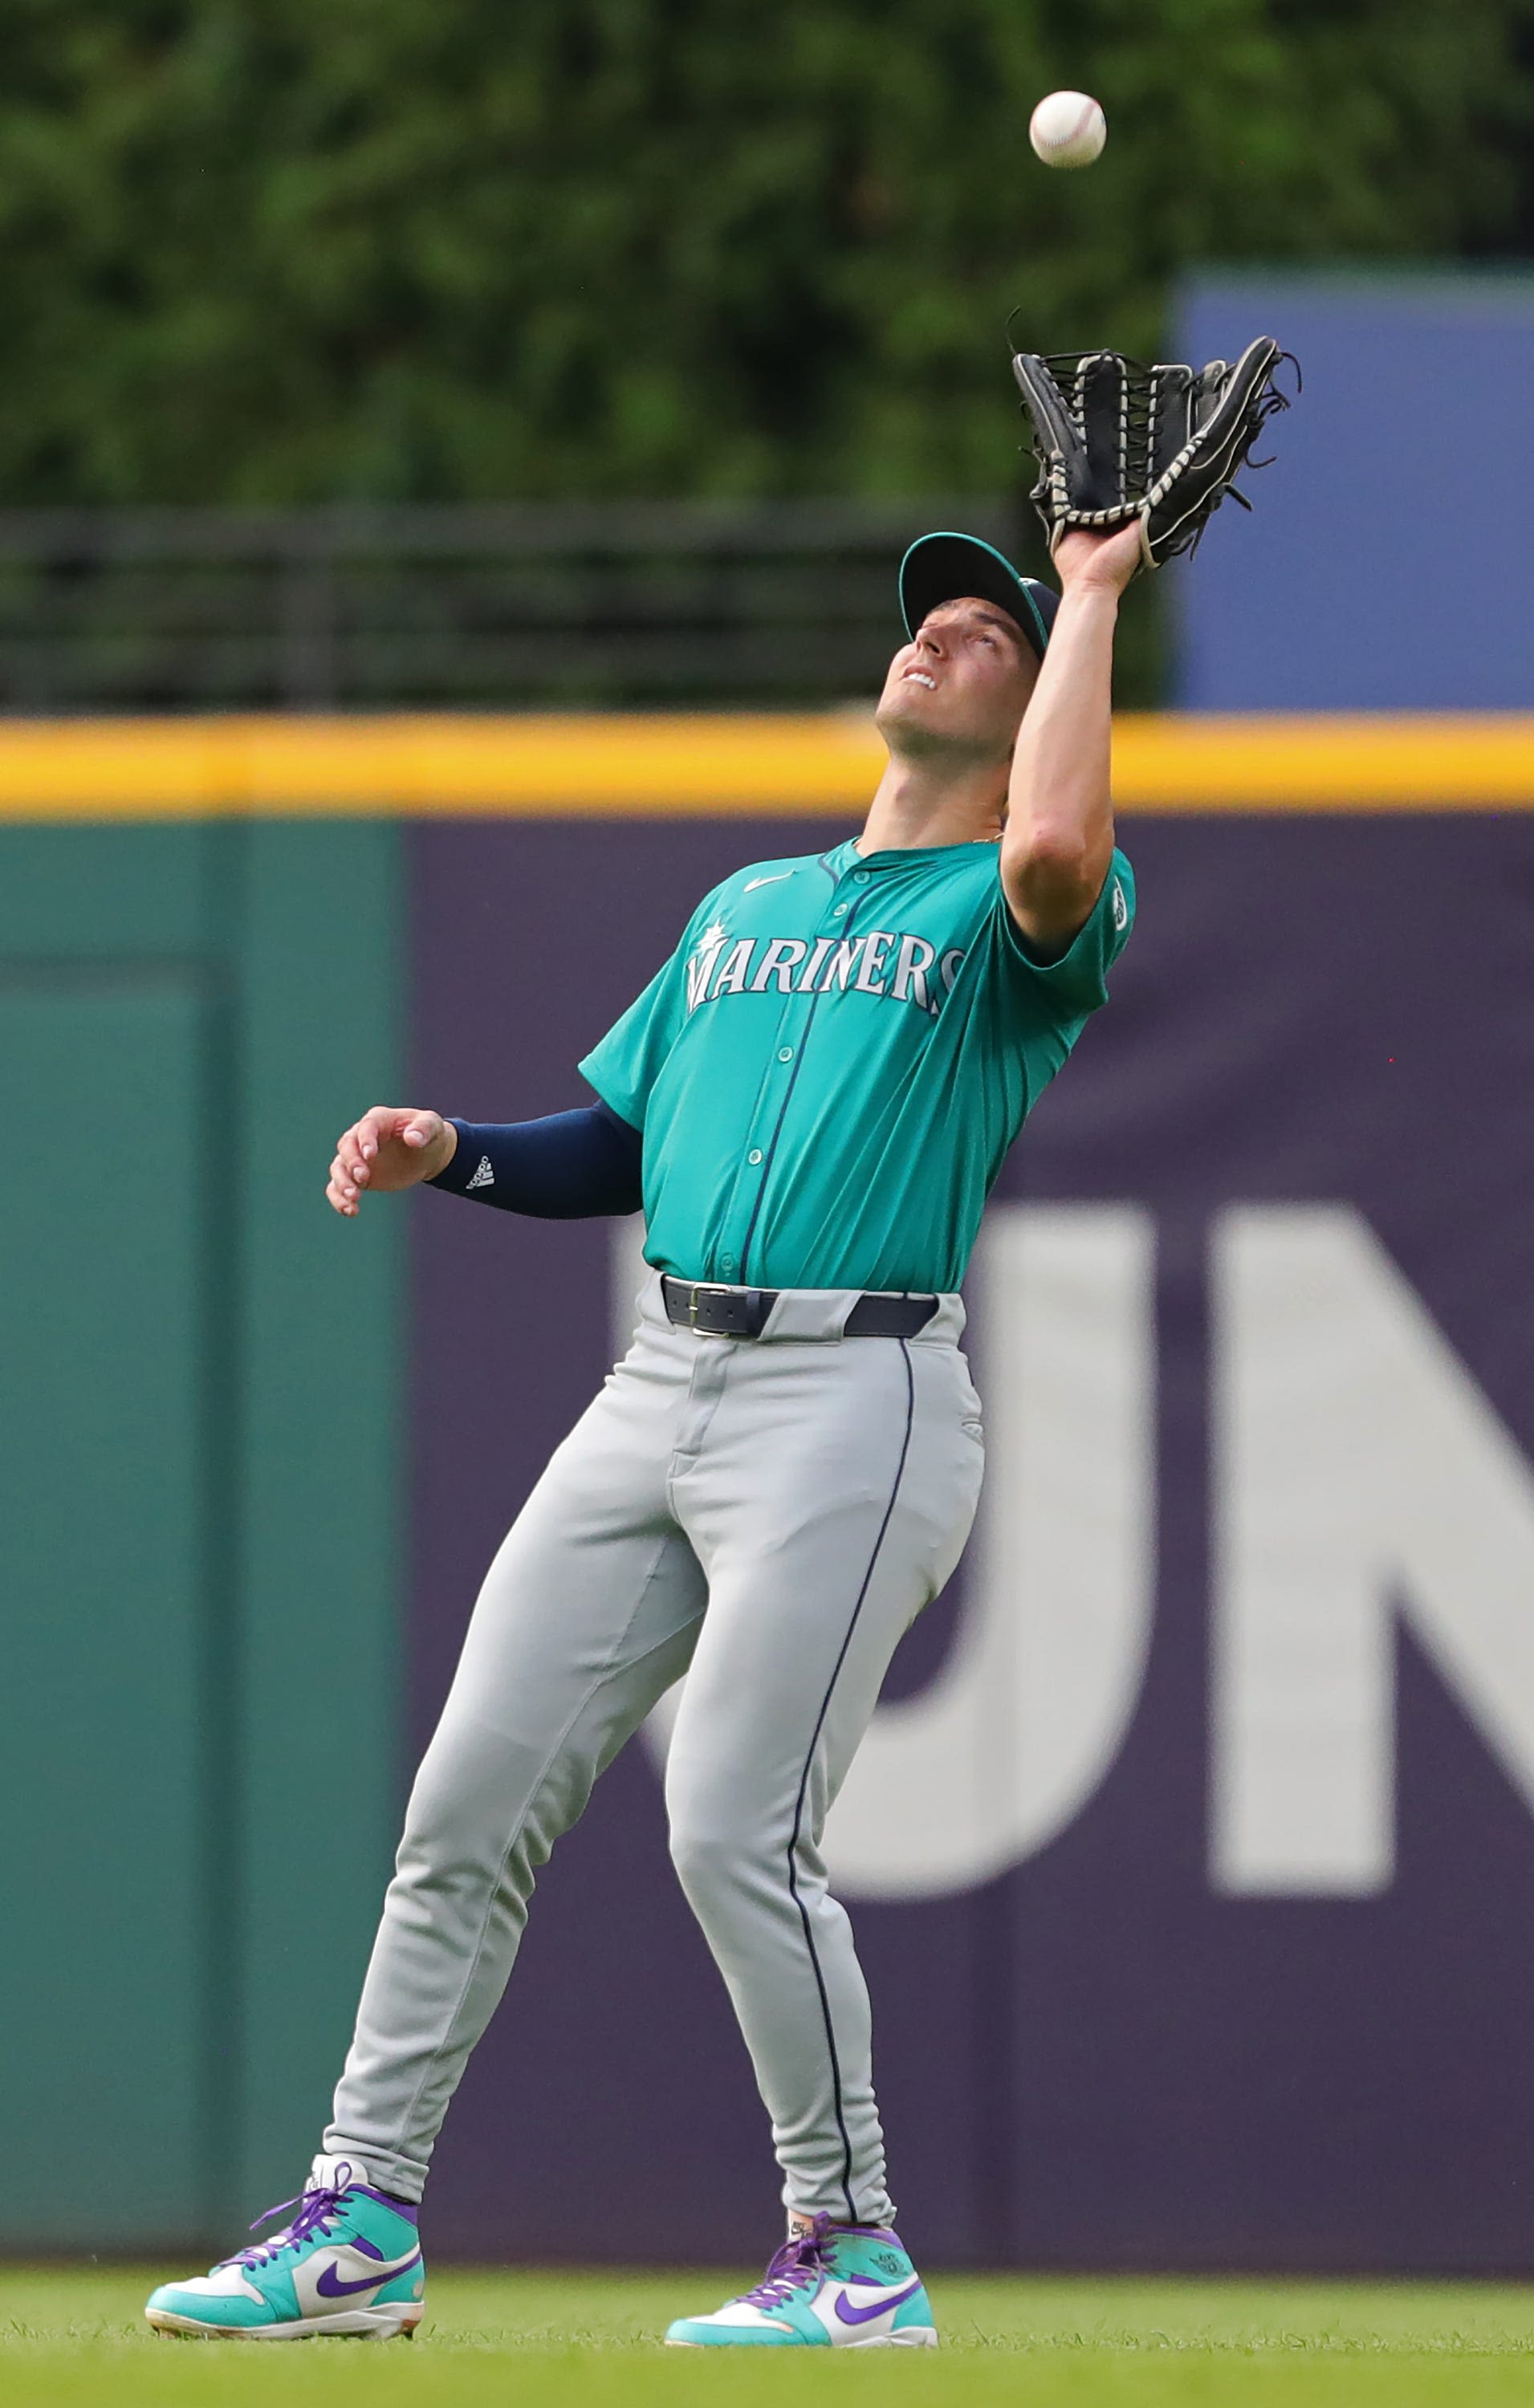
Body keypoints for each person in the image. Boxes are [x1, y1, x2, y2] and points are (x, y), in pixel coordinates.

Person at [144, 518, 1141, 2348]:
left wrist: (1081, 598)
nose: (930, 640)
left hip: (856, 1397)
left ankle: (850, 2250)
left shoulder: (1013, 914)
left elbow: (1062, 844)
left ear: (1032, 709)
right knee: (463, 1804)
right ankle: (359, 2223)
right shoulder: (745, 907)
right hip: (655, 1385)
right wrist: (459, 1153)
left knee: (730, 1828)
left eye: (973, 632)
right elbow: (615, 1148)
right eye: (919, 621)